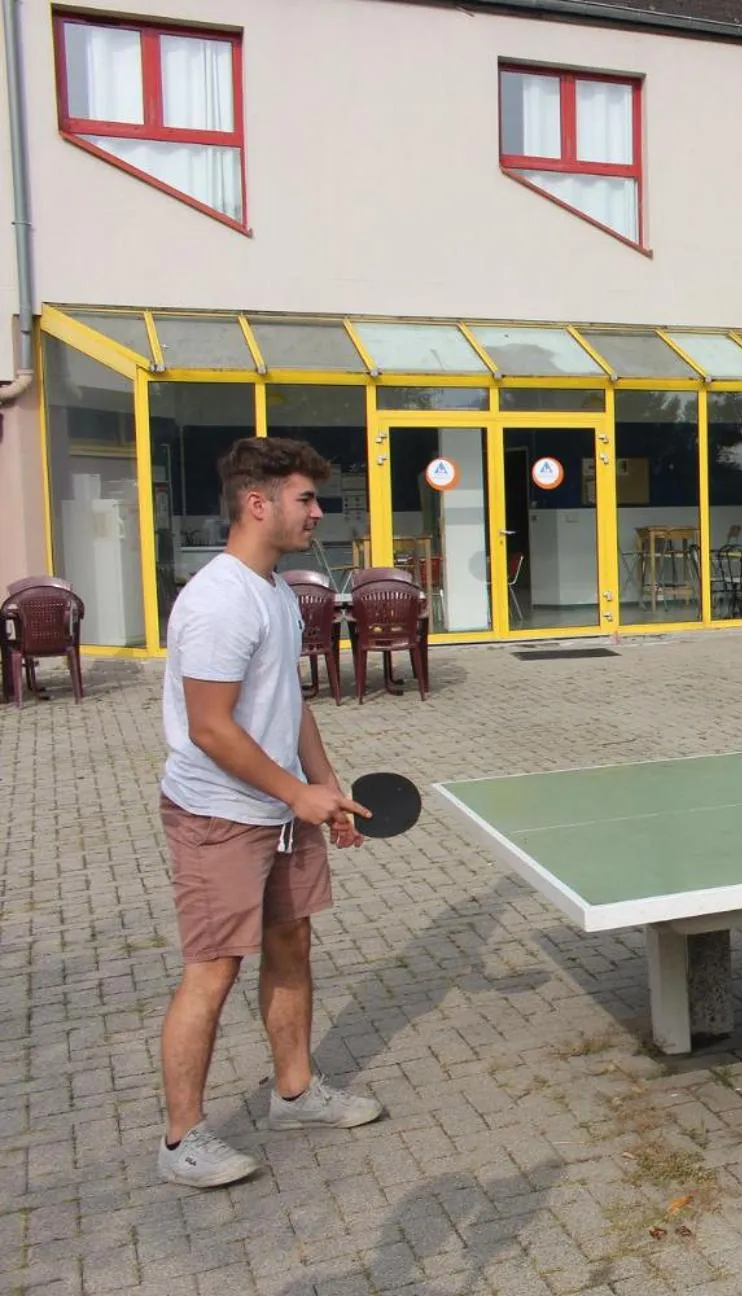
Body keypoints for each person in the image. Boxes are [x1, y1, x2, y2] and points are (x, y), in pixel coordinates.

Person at [155, 437, 384, 1188]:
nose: (318, 511)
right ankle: (181, 1141)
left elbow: (288, 704)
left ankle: (295, 1093)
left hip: (283, 811)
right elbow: (211, 726)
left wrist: (327, 789)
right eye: (305, 498)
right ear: (259, 504)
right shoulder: (220, 599)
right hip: (221, 815)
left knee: (293, 947)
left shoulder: (278, 591)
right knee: (212, 972)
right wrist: (295, 794)